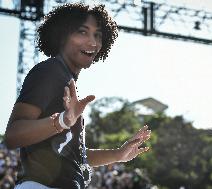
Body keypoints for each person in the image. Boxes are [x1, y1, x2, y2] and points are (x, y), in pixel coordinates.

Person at [4, 3, 151, 189]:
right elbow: (13, 135)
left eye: (97, 35)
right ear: (61, 35)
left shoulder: (65, 79)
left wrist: (118, 155)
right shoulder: (50, 71)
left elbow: (75, 156)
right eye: (83, 32)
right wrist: (62, 121)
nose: (93, 42)